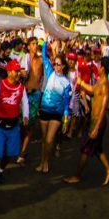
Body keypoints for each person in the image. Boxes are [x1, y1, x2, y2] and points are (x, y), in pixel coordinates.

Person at [64, 57, 109, 186]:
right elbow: (93, 90)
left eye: (99, 65)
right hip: (94, 120)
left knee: (85, 149)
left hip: (97, 122)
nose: (97, 67)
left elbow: (103, 108)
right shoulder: (100, 81)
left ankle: (77, 176)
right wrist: (81, 83)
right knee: (97, 149)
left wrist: (96, 127)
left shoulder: (105, 85)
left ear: (103, 68)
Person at [0, 59, 29, 182]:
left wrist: (26, 116)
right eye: (16, 71)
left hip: (14, 125)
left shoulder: (21, 87)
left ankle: (0, 171)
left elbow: (25, 102)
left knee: (10, 153)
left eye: (18, 71)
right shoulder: (0, 85)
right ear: (9, 72)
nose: (18, 74)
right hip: (0, 124)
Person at [36, 38, 71, 174]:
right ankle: (42, 162)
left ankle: (46, 162)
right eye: (55, 64)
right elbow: (44, 55)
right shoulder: (49, 72)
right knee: (44, 140)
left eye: (59, 64)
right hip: (44, 110)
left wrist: (66, 119)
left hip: (57, 113)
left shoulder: (66, 83)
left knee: (50, 140)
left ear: (63, 66)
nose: (56, 66)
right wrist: (46, 40)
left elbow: (67, 104)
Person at [18, 36, 43, 166]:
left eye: (36, 43)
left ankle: (22, 153)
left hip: (34, 95)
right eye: (33, 43)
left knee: (30, 125)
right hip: (23, 95)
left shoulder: (40, 60)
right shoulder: (23, 59)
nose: (35, 46)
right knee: (21, 124)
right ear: (28, 46)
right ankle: (20, 148)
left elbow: (42, 76)